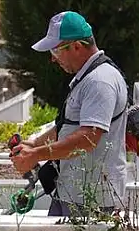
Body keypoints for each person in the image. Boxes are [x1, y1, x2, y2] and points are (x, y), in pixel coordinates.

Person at [10, 11, 129, 217]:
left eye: (56, 51)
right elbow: (69, 126)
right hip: (71, 192)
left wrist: (37, 155)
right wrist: (35, 144)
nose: (52, 59)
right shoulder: (88, 77)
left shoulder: (100, 81)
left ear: (76, 46)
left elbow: (88, 139)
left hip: (91, 199)